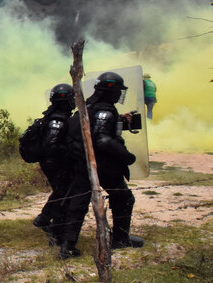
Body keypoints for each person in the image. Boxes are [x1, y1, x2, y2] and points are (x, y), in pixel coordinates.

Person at [65, 71, 144, 257]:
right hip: (103, 165)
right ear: (110, 91)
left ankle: (66, 245)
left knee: (78, 203)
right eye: (118, 90)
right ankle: (120, 239)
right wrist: (126, 156)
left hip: (82, 163)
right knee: (123, 198)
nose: (119, 94)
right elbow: (102, 140)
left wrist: (120, 120)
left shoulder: (90, 106)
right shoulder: (104, 110)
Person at [20, 83, 77, 246]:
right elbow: (51, 145)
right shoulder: (57, 120)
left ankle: (43, 219)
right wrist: (67, 154)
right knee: (63, 194)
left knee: (60, 192)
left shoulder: (58, 116)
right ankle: (56, 229)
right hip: (54, 163)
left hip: (53, 162)